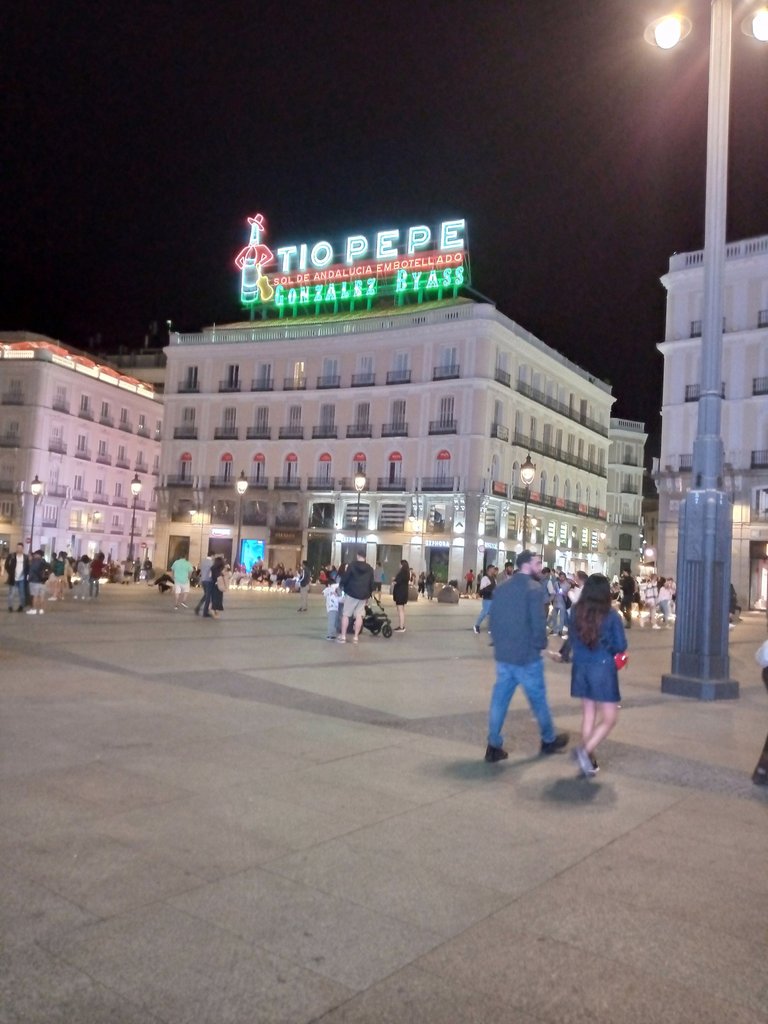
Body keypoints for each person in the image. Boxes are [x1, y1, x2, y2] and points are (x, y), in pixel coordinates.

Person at [485, 550, 569, 761]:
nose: (540, 566)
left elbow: (493, 619)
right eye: (537, 563)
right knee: (538, 699)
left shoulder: (502, 588)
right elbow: (538, 623)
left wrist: (501, 645)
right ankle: (548, 740)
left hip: (504, 656)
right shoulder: (533, 589)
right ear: (526, 565)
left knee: (499, 701)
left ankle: (493, 744)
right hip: (527, 657)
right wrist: (541, 645)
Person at [569, 573, 627, 777]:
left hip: (580, 667)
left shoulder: (575, 611)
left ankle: (589, 761)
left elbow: (572, 639)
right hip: (602, 669)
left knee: (589, 714)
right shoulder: (611, 615)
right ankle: (584, 752)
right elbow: (620, 645)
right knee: (610, 718)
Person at [337, 548, 374, 644]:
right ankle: (356, 637)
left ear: (358, 556)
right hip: (363, 595)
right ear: (365, 557)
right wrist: (369, 594)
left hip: (351, 593)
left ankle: (343, 636)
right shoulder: (370, 569)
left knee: (346, 615)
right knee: (359, 616)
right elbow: (371, 583)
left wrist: (341, 585)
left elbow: (346, 577)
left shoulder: (352, 565)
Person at [473, 564, 497, 634]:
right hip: (487, 599)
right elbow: (482, 589)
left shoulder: (494, 579)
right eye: (493, 569)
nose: (494, 570)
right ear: (489, 569)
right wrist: (490, 589)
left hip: (493, 598)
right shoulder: (485, 578)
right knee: (484, 612)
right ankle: (476, 625)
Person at [5, 542, 29, 612]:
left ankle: (21, 606)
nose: (19, 549)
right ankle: (10, 606)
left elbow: (27, 567)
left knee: (22, 594)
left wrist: (26, 574)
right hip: (13, 578)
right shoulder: (12, 555)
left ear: (23, 548)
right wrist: (10, 572)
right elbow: (6, 565)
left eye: (20, 548)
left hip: (22, 578)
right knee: (11, 593)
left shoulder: (25, 557)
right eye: (18, 548)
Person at [26, 549, 50, 615]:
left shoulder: (34, 562)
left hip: (35, 581)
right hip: (43, 581)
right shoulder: (44, 562)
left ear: (37, 555)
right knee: (42, 596)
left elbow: (33, 571)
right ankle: (41, 609)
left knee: (35, 596)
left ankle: (34, 609)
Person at [194, 553, 214, 617]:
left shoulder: (202, 561)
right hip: (208, 580)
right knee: (208, 597)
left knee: (206, 595)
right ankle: (205, 612)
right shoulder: (211, 563)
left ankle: (198, 608)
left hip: (202, 580)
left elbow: (199, 569)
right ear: (212, 555)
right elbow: (212, 572)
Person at [392, 559, 410, 631]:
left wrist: (394, 581)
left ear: (402, 565)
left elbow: (397, 581)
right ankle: (401, 625)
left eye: (400, 564)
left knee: (400, 610)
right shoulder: (407, 573)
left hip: (400, 593)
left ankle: (401, 627)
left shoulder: (402, 573)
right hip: (404, 593)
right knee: (401, 610)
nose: (399, 565)